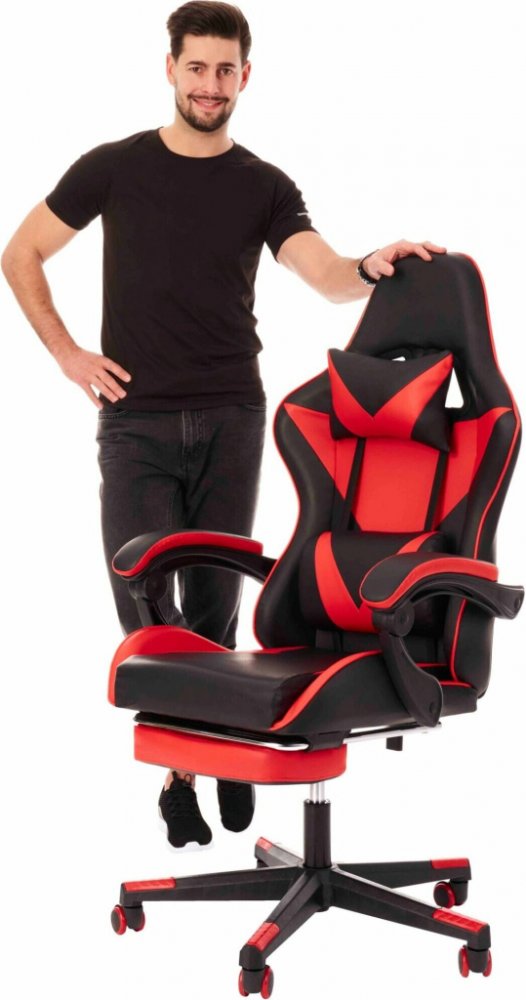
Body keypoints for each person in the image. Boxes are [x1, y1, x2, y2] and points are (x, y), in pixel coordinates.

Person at [1, 0, 446, 849]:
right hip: (134, 421)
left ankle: (223, 751)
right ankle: (187, 767)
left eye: (226, 70)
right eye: (197, 67)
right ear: (170, 68)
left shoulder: (263, 185)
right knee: (143, 599)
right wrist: (67, 353)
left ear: (247, 76)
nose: (211, 85)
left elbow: (324, 271)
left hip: (233, 416)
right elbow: (20, 253)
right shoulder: (112, 167)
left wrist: (368, 265)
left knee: (216, 603)